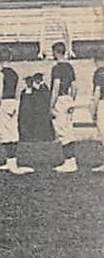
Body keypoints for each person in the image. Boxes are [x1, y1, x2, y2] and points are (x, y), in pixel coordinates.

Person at [49, 42, 80, 173]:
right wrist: (72, 101)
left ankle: (69, 162)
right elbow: (74, 86)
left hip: (60, 99)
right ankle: (70, 161)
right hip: (68, 98)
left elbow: (56, 88)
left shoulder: (57, 68)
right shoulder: (69, 67)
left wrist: (51, 106)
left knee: (62, 131)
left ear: (56, 52)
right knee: (68, 130)